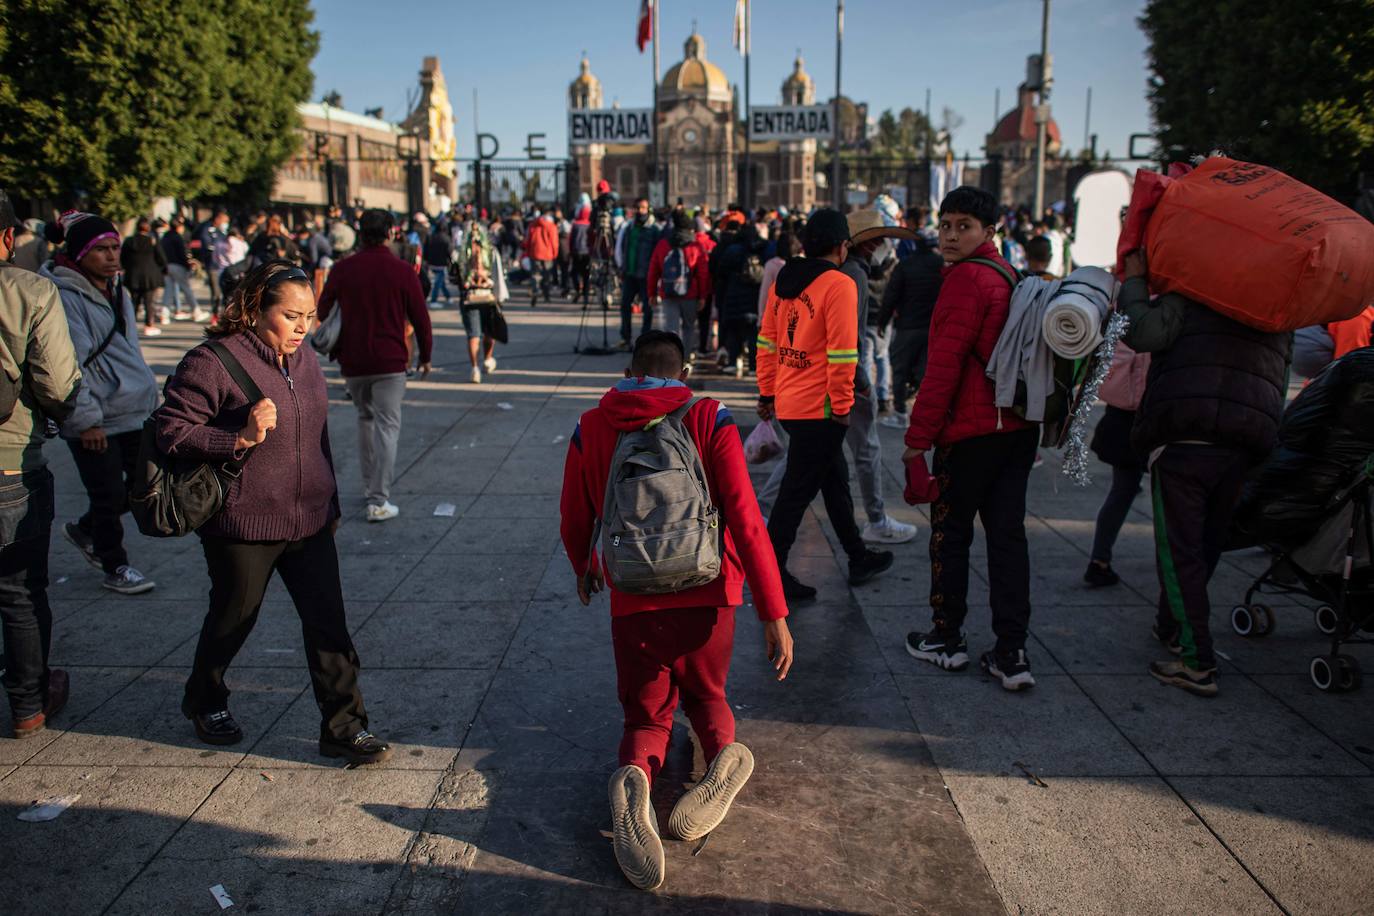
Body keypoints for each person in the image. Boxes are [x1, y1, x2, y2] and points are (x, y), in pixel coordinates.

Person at [559, 330, 794, 891]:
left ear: (630, 368)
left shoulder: (593, 425)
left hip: (634, 596)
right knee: (708, 696)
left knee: (646, 716)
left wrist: (585, 567)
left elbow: (573, 514)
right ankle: (723, 756)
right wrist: (773, 611)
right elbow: (744, 514)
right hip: (710, 593)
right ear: (683, 370)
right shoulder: (709, 417)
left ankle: (636, 776)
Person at [156, 259, 390, 762]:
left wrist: (330, 498)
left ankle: (344, 727)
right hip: (244, 523)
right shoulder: (212, 362)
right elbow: (170, 431)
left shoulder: (304, 359)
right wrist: (236, 436)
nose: (303, 327)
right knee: (233, 619)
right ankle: (205, 698)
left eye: (310, 315)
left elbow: (317, 433)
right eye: (291, 315)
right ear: (254, 310)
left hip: (308, 520)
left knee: (329, 624)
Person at [1118, 248, 1290, 697]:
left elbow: (1141, 332)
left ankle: (1197, 661)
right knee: (1207, 545)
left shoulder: (1192, 295)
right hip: (1242, 443)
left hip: (1187, 441)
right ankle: (1171, 625)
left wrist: (1135, 282)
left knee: (1181, 555)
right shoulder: (1272, 307)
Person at [902, 187, 1040, 691]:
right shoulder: (1011, 276)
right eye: (946, 225)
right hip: (1017, 431)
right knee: (1008, 539)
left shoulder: (965, 281)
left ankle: (946, 638)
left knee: (950, 535)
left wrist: (917, 442)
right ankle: (1011, 652)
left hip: (970, 433)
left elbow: (943, 368)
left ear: (989, 232)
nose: (952, 236)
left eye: (965, 226)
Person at [756, 208, 895, 601]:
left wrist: (767, 393)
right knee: (795, 495)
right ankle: (771, 573)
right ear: (842, 246)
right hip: (821, 409)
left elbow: (767, 342)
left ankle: (857, 555)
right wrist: (843, 405)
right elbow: (842, 354)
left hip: (791, 403)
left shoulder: (786, 279)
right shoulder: (839, 285)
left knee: (834, 482)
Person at [41, 211, 160, 595]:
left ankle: (86, 529)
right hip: (94, 416)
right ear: (78, 254)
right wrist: (86, 420)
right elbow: (67, 362)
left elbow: (130, 350)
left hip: (132, 410)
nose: (112, 257)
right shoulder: (63, 296)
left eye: (115, 248)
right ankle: (116, 564)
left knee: (147, 484)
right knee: (107, 495)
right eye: (101, 250)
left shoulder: (117, 289)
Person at [0, 189, 81, 738]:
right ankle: (28, 705)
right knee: (20, 591)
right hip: (11, 462)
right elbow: (57, 382)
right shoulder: (27, 290)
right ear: (8, 237)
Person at [317, 210, 432, 522]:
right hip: (390, 360)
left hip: (353, 361)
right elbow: (421, 318)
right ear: (391, 233)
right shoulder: (402, 270)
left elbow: (323, 307)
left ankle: (371, 488)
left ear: (360, 233)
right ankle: (378, 498)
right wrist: (425, 356)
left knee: (365, 420)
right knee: (387, 426)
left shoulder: (343, 269)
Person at [840, 211, 918, 546]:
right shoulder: (854, 273)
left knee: (807, 453)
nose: (883, 245)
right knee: (866, 448)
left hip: (823, 377)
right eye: (879, 238)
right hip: (847, 378)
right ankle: (876, 519)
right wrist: (861, 379)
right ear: (868, 242)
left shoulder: (840, 270)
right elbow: (850, 334)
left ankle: (767, 509)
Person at [1082, 342, 1150, 587]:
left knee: (1121, 491)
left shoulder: (1122, 311)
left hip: (1120, 416)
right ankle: (1179, 564)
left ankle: (1099, 560)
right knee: (1169, 498)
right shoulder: (1164, 313)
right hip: (1147, 417)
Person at [878, 230, 943, 430]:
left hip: (907, 326)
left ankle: (899, 413)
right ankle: (926, 415)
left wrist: (883, 322)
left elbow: (891, 296)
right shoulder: (942, 266)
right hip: (933, 328)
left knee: (899, 370)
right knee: (926, 372)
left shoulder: (905, 266)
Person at [646, 212, 711, 358]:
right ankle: (685, 358)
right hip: (691, 294)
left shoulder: (663, 244)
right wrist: (702, 296)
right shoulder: (696, 246)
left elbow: (653, 270)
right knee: (689, 327)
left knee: (671, 330)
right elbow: (703, 274)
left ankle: (672, 359)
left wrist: (651, 293)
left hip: (668, 293)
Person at [713, 222, 768, 377]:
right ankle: (753, 366)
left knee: (734, 330)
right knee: (753, 333)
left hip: (734, 294)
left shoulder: (733, 249)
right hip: (753, 296)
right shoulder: (761, 249)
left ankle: (732, 362)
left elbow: (721, 272)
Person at [456, 218, 507, 384]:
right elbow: (499, 276)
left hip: (469, 296)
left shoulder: (461, 254)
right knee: (489, 331)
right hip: (488, 296)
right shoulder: (491, 251)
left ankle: (474, 368)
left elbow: (456, 276)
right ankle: (487, 359)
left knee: (473, 334)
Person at [615, 198, 658, 349]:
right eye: (638, 208)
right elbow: (622, 248)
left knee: (648, 308)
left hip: (646, 275)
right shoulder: (629, 228)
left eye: (643, 208)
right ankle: (626, 337)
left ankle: (644, 339)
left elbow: (656, 255)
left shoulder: (653, 230)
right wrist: (621, 267)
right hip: (630, 274)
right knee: (625, 305)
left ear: (648, 210)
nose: (640, 211)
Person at [120, 217, 167, 335]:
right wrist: (163, 268)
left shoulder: (129, 241)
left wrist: (127, 268)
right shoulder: (152, 240)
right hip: (149, 275)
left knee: (134, 301)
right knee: (149, 301)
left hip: (133, 274)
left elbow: (123, 258)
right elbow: (161, 257)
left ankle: (131, 324)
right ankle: (148, 325)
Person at [160, 217, 206, 322]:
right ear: (179, 226)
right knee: (186, 289)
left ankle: (164, 314)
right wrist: (187, 264)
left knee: (168, 290)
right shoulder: (177, 238)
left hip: (167, 266)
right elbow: (182, 253)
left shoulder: (165, 237)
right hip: (178, 265)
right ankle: (196, 311)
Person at [523, 209, 559, 306]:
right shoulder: (552, 226)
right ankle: (546, 294)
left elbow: (528, 240)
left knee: (535, 274)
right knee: (546, 274)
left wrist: (528, 251)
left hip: (534, 253)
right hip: (547, 254)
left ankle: (536, 291)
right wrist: (555, 253)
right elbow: (554, 242)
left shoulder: (533, 225)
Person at [422, 221, 454, 308]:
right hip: (441, 263)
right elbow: (450, 252)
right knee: (438, 282)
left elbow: (425, 249)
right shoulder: (446, 238)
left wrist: (426, 260)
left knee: (440, 281)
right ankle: (433, 300)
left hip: (432, 262)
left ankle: (448, 297)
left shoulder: (430, 236)